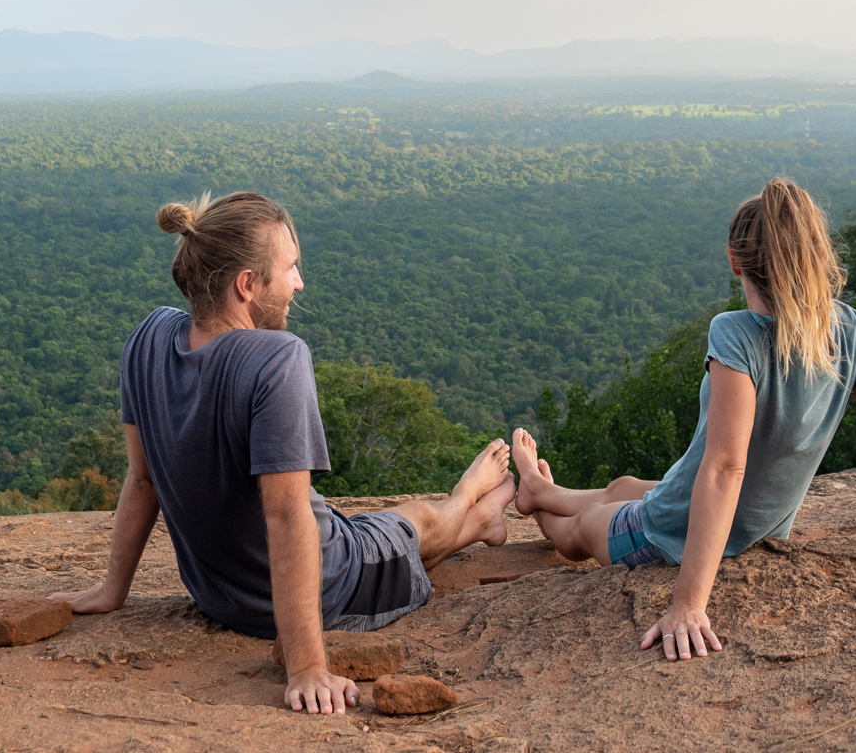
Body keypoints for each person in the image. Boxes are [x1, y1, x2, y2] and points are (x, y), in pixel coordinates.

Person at [508, 178, 856, 663]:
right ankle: (539, 487)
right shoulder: (849, 329)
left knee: (579, 534)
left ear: (734, 261)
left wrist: (688, 604)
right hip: (755, 525)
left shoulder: (735, 334)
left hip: (673, 532)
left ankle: (540, 502)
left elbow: (725, 467)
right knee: (624, 487)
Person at [50, 191, 517, 715]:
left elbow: (142, 480)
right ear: (247, 285)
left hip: (217, 596)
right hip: (329, 583)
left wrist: (112, 589)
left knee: (374, 527)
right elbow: (288, 516)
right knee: (416, 525)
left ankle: (480, 523)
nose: (300, 283)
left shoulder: (148, 338)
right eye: (290, 268)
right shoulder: (277, 358)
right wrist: (306, 666)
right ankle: (469, 503)